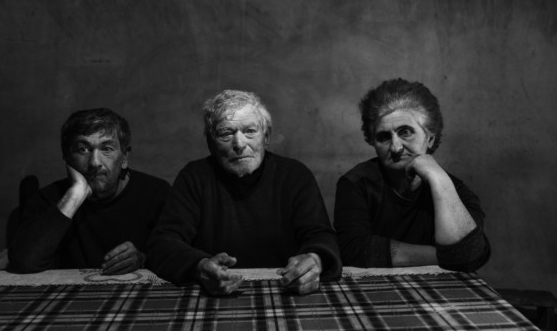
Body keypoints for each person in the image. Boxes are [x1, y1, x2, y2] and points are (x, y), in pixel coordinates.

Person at [147, 90, 341, 295]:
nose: (239, 144)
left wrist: (315, 259)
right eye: (226, 134)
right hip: (213, 296)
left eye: (250, 131)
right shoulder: (194, 177)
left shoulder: (294, 176)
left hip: (285, 291)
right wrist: (200, 266)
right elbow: (163, 243)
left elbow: (321, 236)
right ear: (210, 143)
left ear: (266, 136)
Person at [334, 79, 490, 272]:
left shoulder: (454, 189)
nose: (395, 147)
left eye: (405, 132)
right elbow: (354, 250)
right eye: (384, 137)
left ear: (430, 139)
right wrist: (446, 257)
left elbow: (472, 253)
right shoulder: (356, 183)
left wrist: (439, 180)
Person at [8, 108, 171, 274]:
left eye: (106, 149)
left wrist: (142, 259)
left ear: (124, 157)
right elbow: (23, 263)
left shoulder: (156, 194)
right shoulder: (49, 199)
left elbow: (175, 256)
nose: (94, 162)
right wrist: (74, 195)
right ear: (66, 156)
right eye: (82, 149)